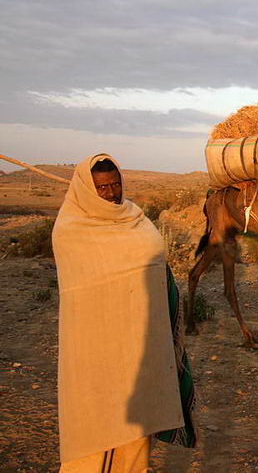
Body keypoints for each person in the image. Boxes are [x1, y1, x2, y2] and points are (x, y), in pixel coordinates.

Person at [52, 154, 196, 472]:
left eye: (116, 184)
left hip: (138, 342)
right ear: (88, 190)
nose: (111, 193)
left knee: (136, 422)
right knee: (91, 426)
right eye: (102, 188)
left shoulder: (136, 218)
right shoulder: (71, 228)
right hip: (93, 348)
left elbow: (156, 265)